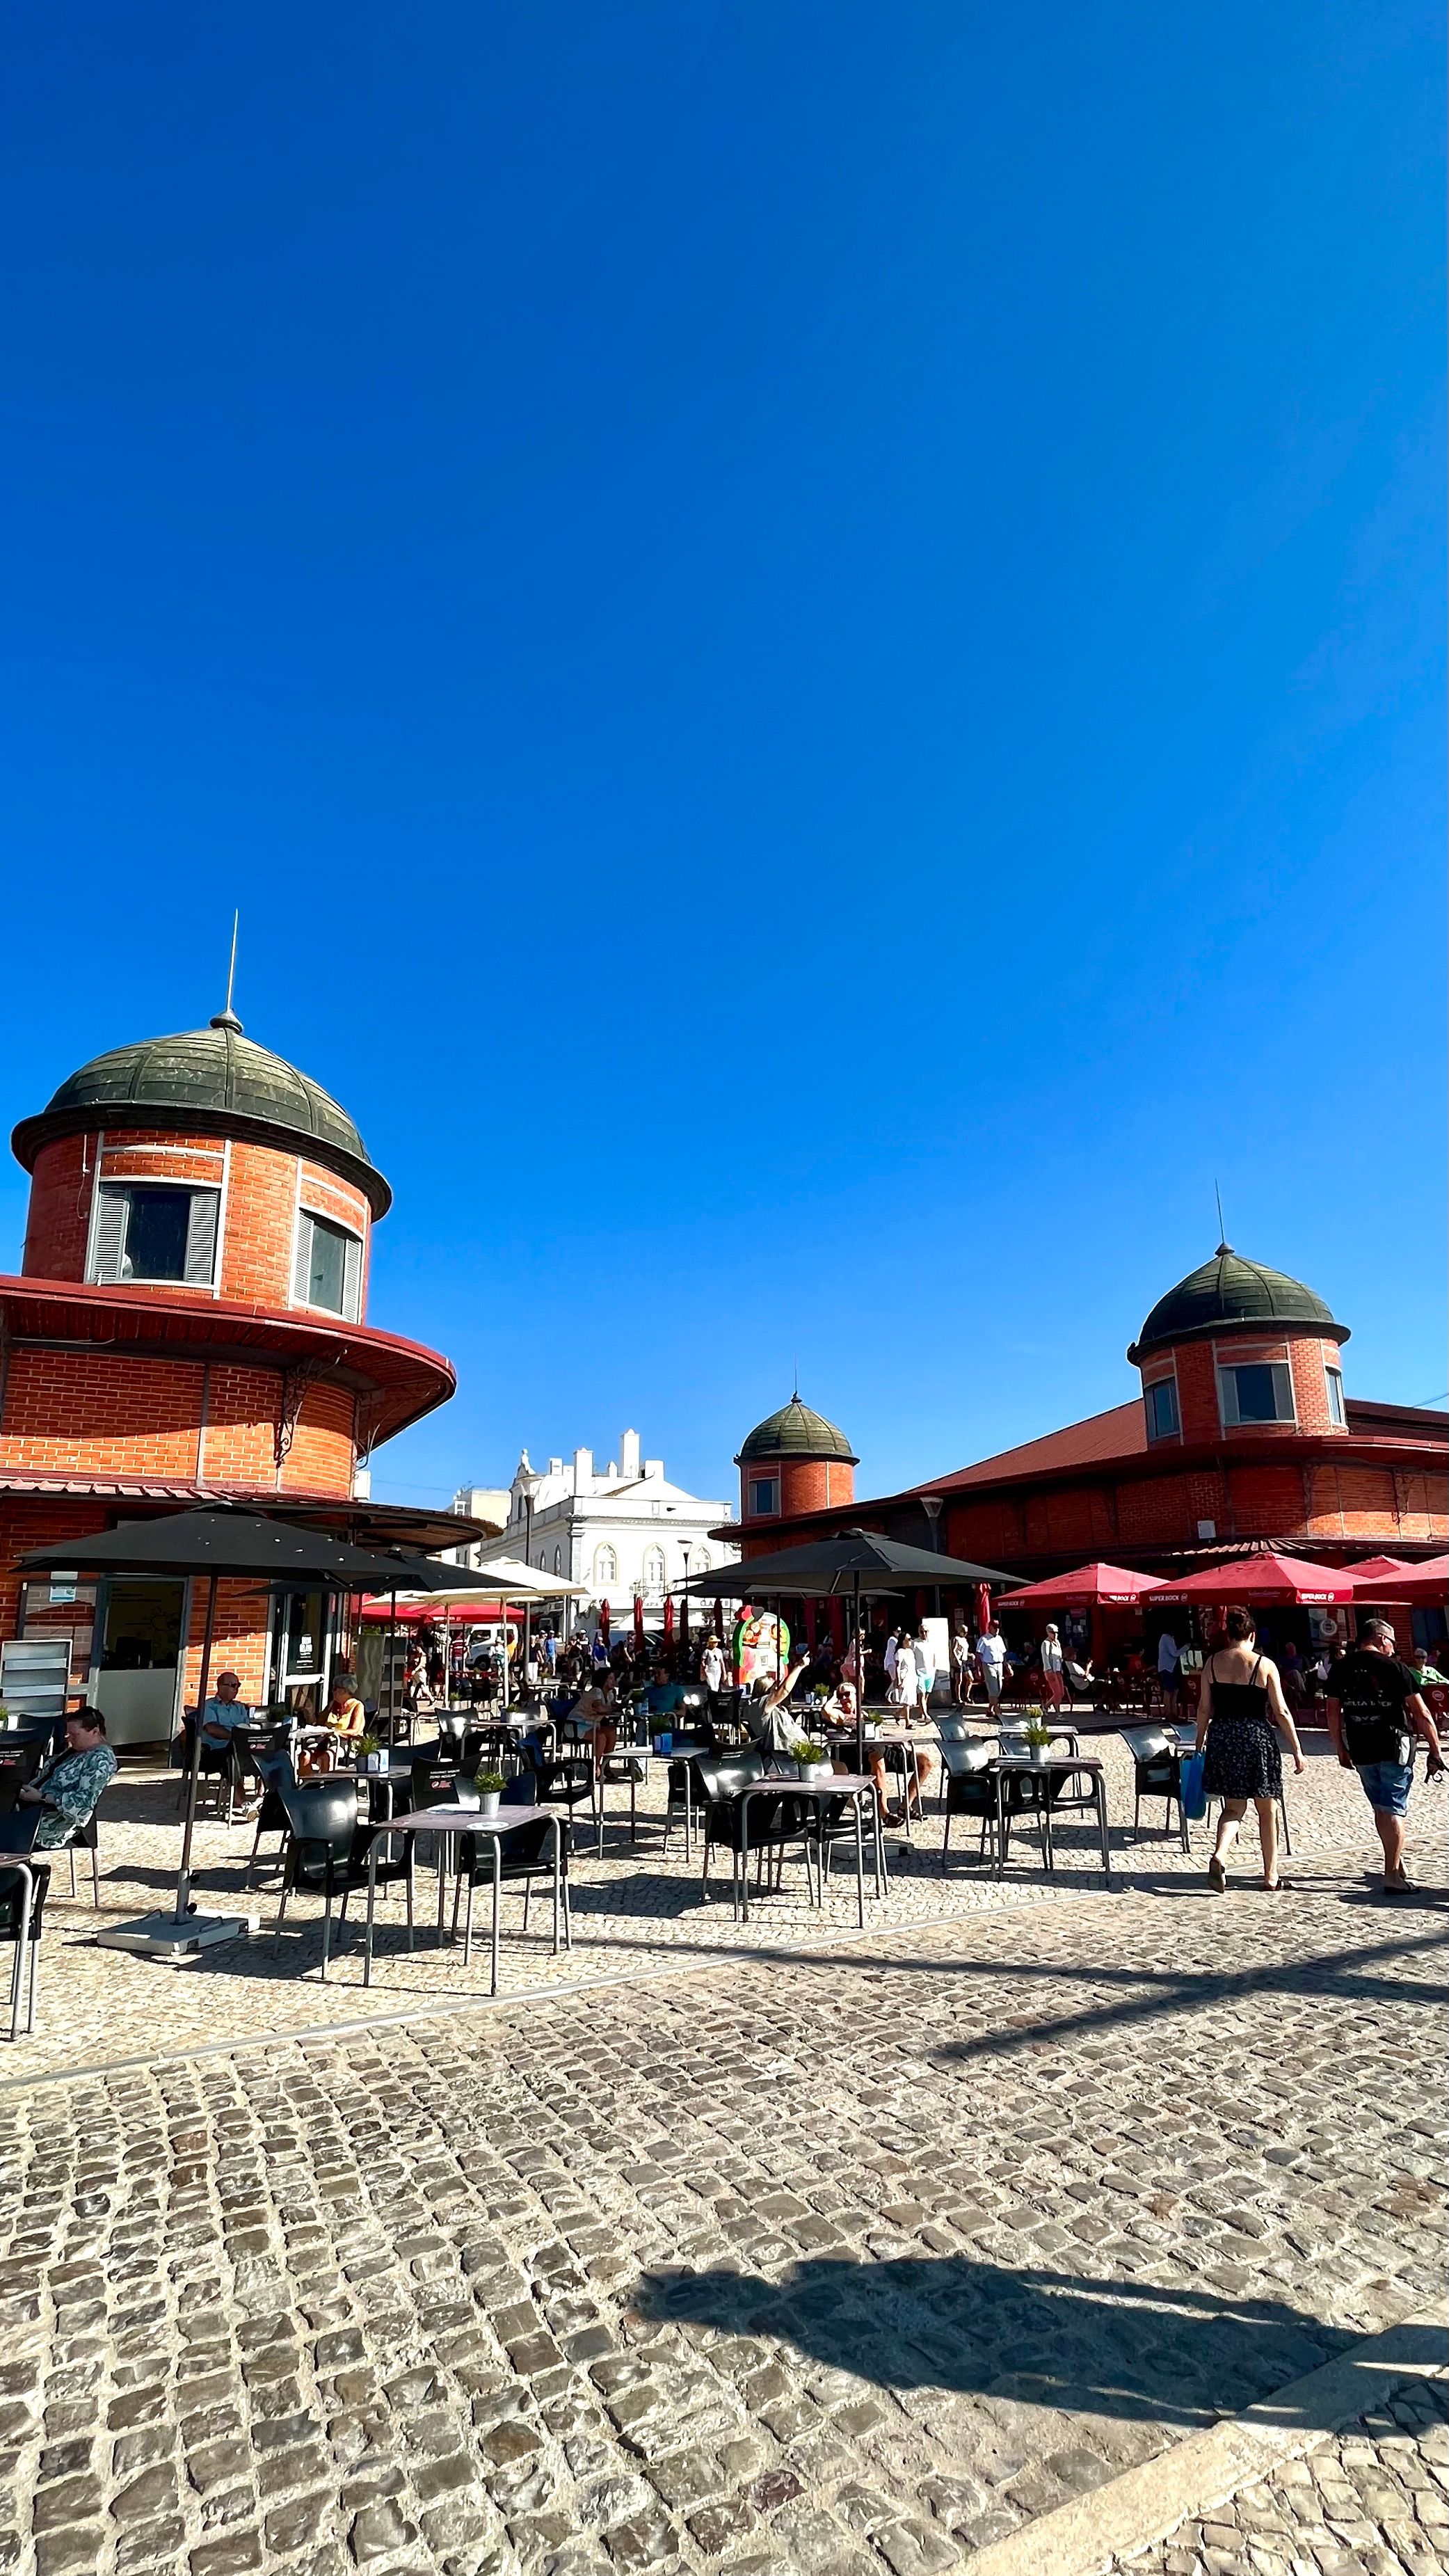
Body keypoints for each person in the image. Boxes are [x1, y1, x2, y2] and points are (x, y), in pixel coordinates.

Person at [1324, 1616, 1444, 1894]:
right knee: (1392, 1807)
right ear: (1381, 1639)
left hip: (1360, 1746)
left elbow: (1333, 1712)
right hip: (1393, 1746)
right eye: (1392, 1642)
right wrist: (1435, 1750)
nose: (1393, 1647)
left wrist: (1339, 1747)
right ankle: (1391, 1874)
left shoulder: (1340, 1668)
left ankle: (1396, 1863)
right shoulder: (1395, 1668)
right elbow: (1421, 1712)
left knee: (1381, 1806)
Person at [1196, 1606, 1305, 1893]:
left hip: (1224, 1736)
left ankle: (1220, 1855)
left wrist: (1199, 1742)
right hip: (1256, 1737)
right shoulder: (1264, 1665)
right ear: (1252, 1635)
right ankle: (1271, 1875)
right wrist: (1296, 1749)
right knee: (1267, 1809)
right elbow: (1280, 1711)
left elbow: (1204, 1709)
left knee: (1233, 1808)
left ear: (1228, 1635)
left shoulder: (1211, 1664)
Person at [19, 1710, 118, 1851]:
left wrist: (41, 1798)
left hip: (53, 1822)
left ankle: (18, 1871)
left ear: (95, 1731)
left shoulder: (101, 1760)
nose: (68, 1738)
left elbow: (83, 1805)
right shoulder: (76, 1752)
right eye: (67, 1733)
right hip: (31, 1809)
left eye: (74, 1734)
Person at [198, 1671, 252, 1748]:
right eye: (233, 1685)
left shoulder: (240, 1707)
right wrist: (234, 1738)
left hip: (241, 1747)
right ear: (221, 1687)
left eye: (238, 1685)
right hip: (219, 1749)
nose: (236, 1689)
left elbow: (248, 1729)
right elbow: (212, 1729)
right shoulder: (208, 1705)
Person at [975, 1621, 1009, 1706]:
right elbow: (978, 1655)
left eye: (998, 1628)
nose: (997, 1630)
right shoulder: (984, 1639)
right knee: (993, 1687)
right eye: (995, 1627)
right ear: (990, 1627)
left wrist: (1007, 1666)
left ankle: (991, 1708)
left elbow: (1003, 1653)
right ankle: (995, 1708)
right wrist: (978, 1670)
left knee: (999, 1686)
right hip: (989, 1665)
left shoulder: (1000, 1639)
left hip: (999, 1664)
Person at [1039, 1624, 1066, 1710]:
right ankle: (1058, 1713)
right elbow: (1045, 1657)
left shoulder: (1057, 1643)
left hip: (1058, 1670)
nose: (1055, 1634)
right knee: (1057, 1692)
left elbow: (1060, 1657)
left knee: (1061, 1693)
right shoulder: (1046, 1643)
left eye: (1056, 1632)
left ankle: (1046, 1706)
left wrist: (1061, 1669)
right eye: (1052, 1632)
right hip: (1051, 1670)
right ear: (1048, 1632)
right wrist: (1049, 1669)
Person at [912, 1623, 937, 1718]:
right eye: (921, 1632)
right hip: (919, 1672)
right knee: (921, 1693)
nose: (924, 1634)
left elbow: (934, 1656)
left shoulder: (932, 1643)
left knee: (926, 1694)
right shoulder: (915, 1643)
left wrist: (935, 1668)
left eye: (925, 1631)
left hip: (930, 1672)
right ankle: (926, 1715)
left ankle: (922, 1711)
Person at [1156, 1627, 1180, 1717]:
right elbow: (1174, 1653)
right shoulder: (1166, 1638)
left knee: (1174, 1690)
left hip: (1172, 1667)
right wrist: (1184, 1649)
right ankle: (1168, 1711)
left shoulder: (1168, 1639)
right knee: (1169, 1690)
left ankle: (1172, 1711)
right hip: (1168, 1668)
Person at [950, 1621, 973, 1706]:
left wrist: (970, 1655)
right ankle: (958, 1698)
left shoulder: (965, 1640)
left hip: (965, 1660)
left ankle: (967, 1696)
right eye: (964, 1632)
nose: (966, 1634)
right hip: (959, 1661)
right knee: (959, 1680)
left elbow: (964, 1651)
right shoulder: (957, 1639)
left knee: (970, 1678)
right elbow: (954, 1650)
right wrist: (957, 1660)